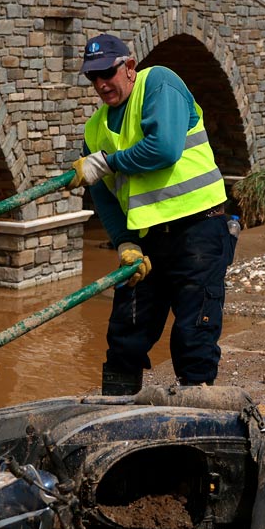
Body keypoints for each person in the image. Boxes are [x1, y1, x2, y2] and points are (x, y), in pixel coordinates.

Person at [70, 33, 237, 395]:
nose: (100, 84)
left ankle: (197, 418)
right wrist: (125, 242)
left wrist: (107, 161)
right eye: (92, 77)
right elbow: (104, 197)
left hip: (199, 229)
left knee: (194, 334)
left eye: (107, 73)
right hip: (146, 241)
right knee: (125, 335)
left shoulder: (159, 82)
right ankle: (118, 414)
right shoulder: (95, 129)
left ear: (129, 67)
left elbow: (164, 149)